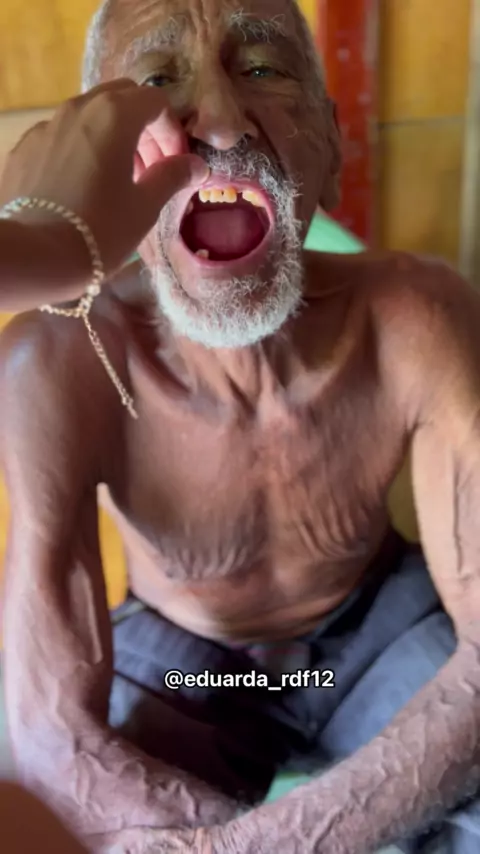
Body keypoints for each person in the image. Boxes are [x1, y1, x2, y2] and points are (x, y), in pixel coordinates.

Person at [1, 0, 480, 852]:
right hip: (191, 659)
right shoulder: (57, 359)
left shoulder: (421, 314)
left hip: (375, 631)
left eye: (262, 68)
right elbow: (49, 739)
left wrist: (255, 847)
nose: (221, 123)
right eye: (157, 82)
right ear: (98, 167)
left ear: (329, 146)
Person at [0, 79, 209, 313]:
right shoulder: (47, 335)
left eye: (252, 71)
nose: (222, 134)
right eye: (158, 81)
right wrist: (56, 244)